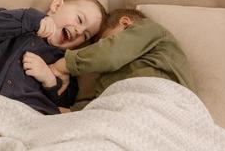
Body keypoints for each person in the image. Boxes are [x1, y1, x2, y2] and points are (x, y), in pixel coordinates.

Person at [0, 0, 107, 115]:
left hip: (32, 116)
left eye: (85, 36)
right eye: (79, 19)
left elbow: (67, 101)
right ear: (56, 6)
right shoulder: (20, 26)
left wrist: (49, 80)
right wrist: (33, 19)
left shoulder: (64, 63)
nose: (79, 31)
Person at [50, 8, 196, 111]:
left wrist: (64, 64)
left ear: (125, 23)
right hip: (122, 111)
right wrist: (72, 113)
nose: (97, 62)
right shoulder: (110, 78)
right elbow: (105, 104)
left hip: (165, 101)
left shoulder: (148, 29)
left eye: (106, 41)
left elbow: (110, 53)